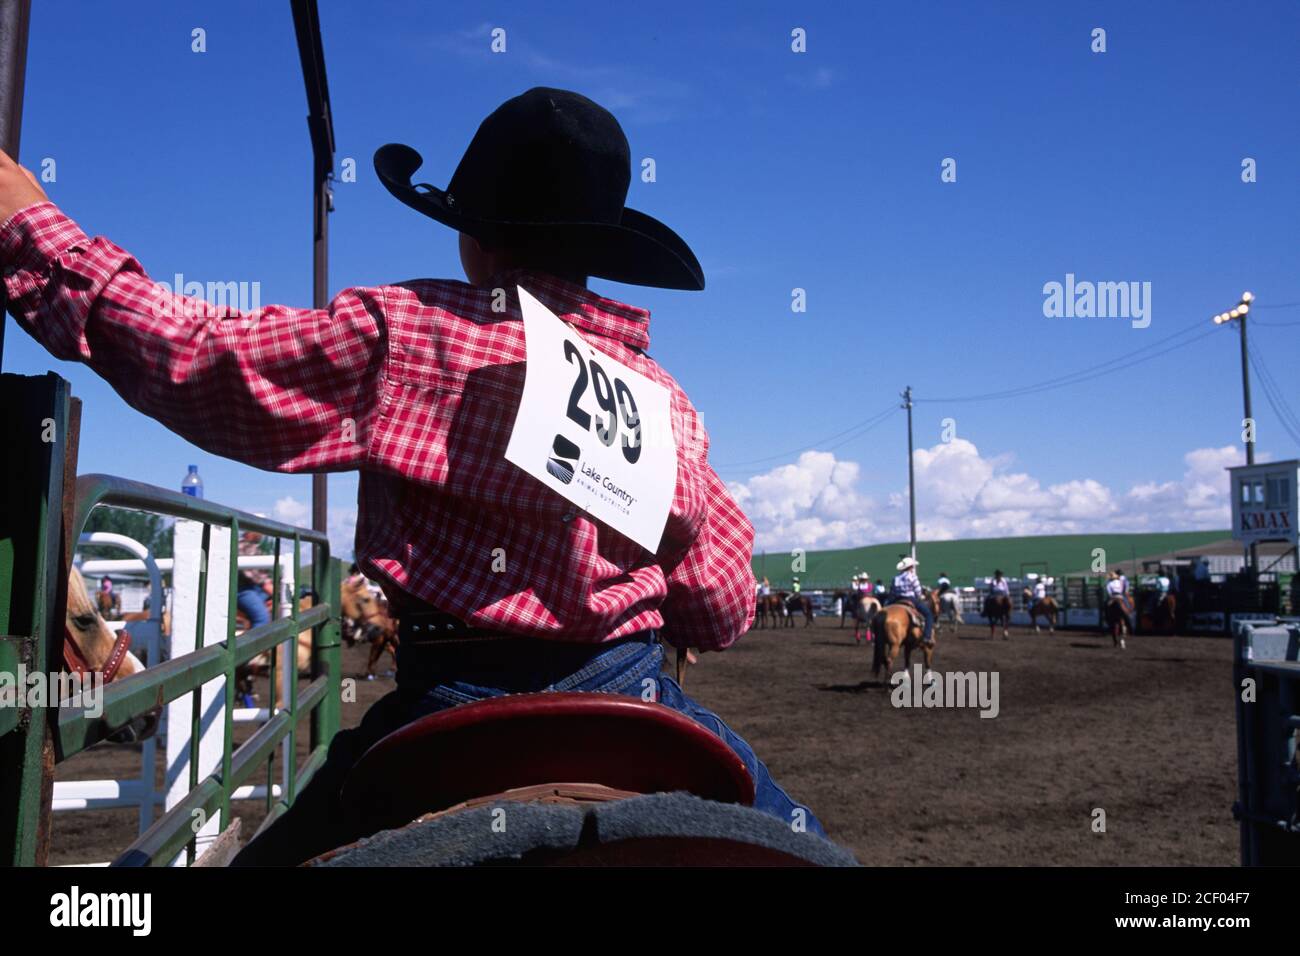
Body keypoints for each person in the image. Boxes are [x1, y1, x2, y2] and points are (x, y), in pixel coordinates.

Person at [0, 87, 825, 864]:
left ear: (474, 236)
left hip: (452, 707)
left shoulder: (411, 335)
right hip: (632, 702)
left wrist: (34, 231)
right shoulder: (664, 403)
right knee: (810, 847)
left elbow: (202, 362)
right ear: (599, 249)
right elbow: (719, 610)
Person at [887, 556, 934, 646]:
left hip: (897, 600)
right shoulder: (913, 577)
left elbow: (892, 592)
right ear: (911, 567)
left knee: (883, 610)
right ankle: (927, 637)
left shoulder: (895, 578)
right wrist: (921, 597)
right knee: (928, 615)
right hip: (910, 599)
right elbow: (918, 592)